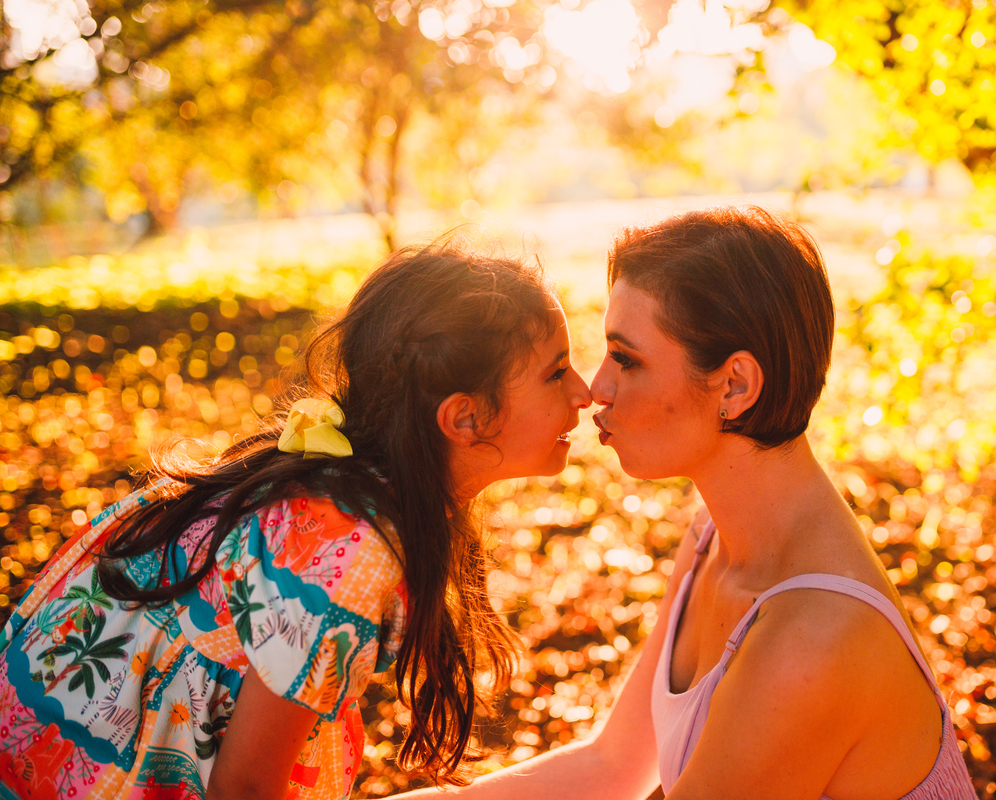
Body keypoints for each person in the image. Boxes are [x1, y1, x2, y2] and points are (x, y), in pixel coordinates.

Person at [400, 207, 978, 800]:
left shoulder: (815, 634)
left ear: (735, 386)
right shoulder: (714, 537)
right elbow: (612, 767)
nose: (597, 389)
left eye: (627, 359)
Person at [0, 241, 592, 800]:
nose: (585, 392)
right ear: (465, 418)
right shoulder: (347, 547)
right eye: (557, 372)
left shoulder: (350, 487)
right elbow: (245, 789)